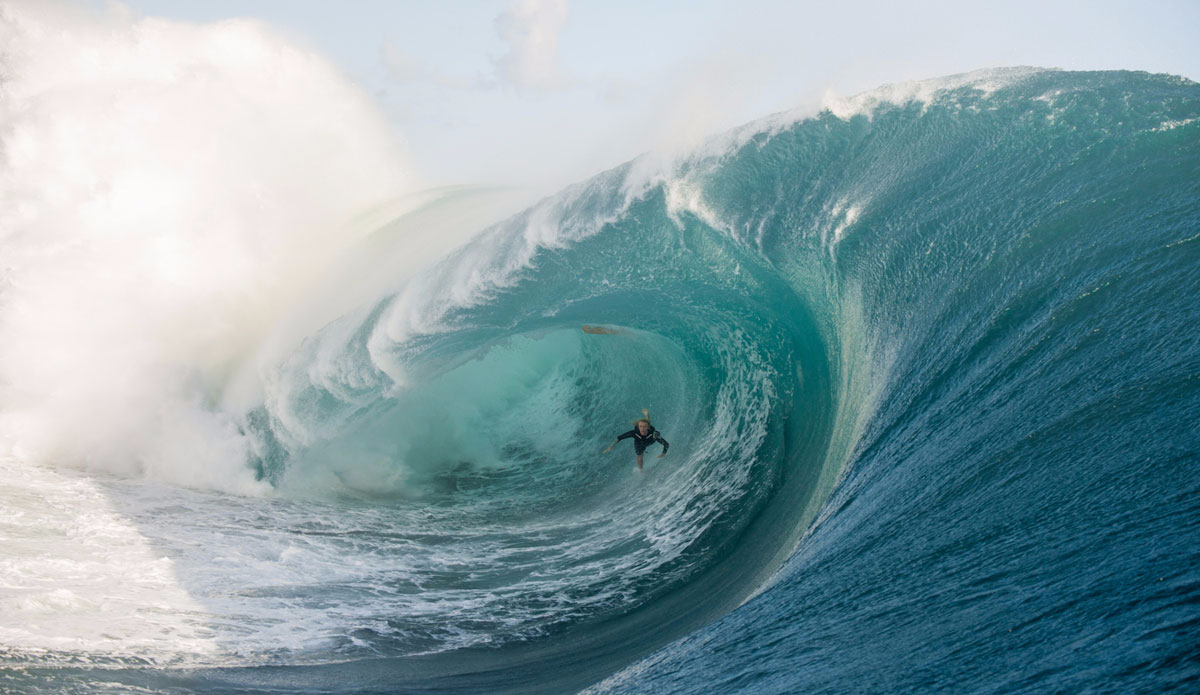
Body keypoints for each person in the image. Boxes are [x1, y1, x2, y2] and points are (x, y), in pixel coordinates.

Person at [603, 409, 669, 471]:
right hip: (639, 442)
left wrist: (663, 453)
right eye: (640, 426)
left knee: (654, 433)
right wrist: (611, 446)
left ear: (647, 427)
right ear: (638, 426)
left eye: (644, 427)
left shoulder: (653, 433)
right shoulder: (634, 433)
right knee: (639, 456)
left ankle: (647, 416)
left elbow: (666, 444)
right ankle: (641, 471)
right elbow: (619, 438)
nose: (642, 429)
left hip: (650, 440)